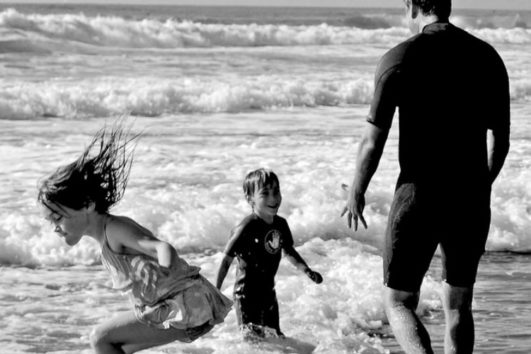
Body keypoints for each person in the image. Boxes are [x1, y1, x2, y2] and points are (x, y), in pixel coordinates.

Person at [341, 0, 510, 353]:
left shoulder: (399, 58)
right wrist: (480, 185)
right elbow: (502, 140)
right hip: (471, 199)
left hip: (419, 197)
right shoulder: (487, 57)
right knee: (459, 305)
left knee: (399, 302)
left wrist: (356, 190)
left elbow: (373, 141)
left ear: (411, 6)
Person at [38, 123, 232, 354]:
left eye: (57, 218)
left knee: (101, 338)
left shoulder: (115, 230)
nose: (55, 228)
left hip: (185, 303)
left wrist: (165, 267)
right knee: (118, 345)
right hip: (185, 304)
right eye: (50, 221)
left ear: (88, 204)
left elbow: (162, 247)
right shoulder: (106, 239)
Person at [216, 168, 323, 340]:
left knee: (276, 337)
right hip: (246, 295)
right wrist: (216, 292)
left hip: (268, 293)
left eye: (276, 192)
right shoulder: (246, 227)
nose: (273, 198)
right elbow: (226, 260)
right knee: (252, 341)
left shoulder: (280, 224)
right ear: (249, 198)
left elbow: (289, 251)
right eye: (265, 193)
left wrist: (306, 270)